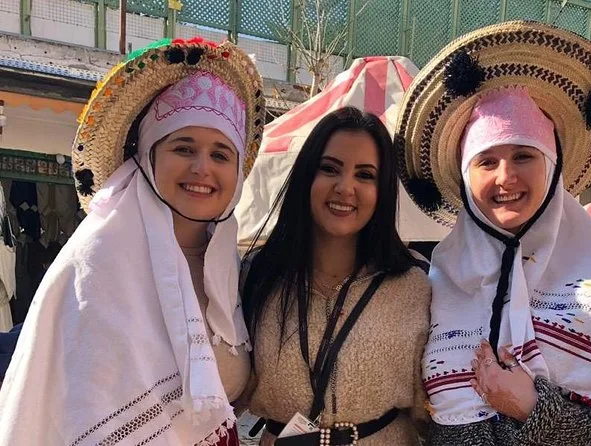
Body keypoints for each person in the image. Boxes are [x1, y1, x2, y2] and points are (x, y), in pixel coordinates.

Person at [394, 21, 591, 445]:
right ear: (466, 177)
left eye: (523, 155)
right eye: (486, 161)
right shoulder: (441, 281)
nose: (506, 177)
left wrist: (532, 408)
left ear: (551, 167)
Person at [0, 37, 265, 445]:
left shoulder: (230, 272)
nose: (202, 168)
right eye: (183, 147)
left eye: (220, 154)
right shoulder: (95, 268)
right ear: (147, 156)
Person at [242, 107, 431, 445]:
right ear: (306, 176)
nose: (345, 187)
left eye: (365, 175)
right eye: (329, 168)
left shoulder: (416, 285)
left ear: (383, 190)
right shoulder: (257, 275)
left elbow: (434, 412)